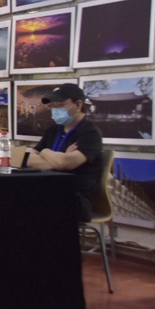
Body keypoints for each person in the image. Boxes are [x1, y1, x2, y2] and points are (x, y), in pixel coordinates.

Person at [26, 83, 103, 222]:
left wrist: (45, 152)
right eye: (52, 106)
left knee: (32, 206)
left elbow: (66, 163)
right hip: (49, 189)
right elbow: (31, 161)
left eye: (60, 105)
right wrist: (58, 160)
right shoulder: (53, 130)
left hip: (75, 197)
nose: (55, 110)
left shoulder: (90, 133)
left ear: (78, 105)